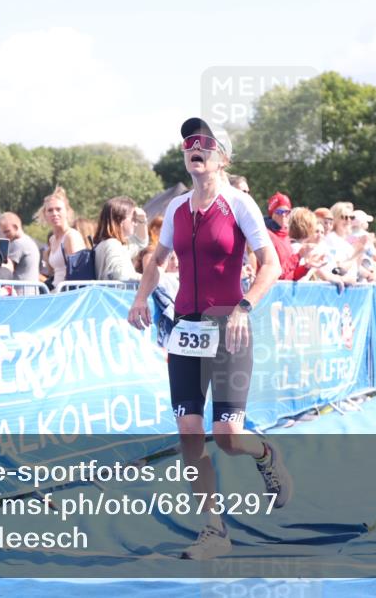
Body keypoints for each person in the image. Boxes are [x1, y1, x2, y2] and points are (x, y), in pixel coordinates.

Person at [127, 117, 290, 561]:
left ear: (223, 157)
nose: (193, 147)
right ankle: (213, 529)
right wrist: (142, 297)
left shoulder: (239, 205)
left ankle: (265, 454)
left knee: (229, 437)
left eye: (204, 142)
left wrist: (244, 306)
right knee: (190, 431)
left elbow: (271, 264)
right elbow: (157, 260)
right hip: (185, 330)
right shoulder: (178, 209)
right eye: (188, 142)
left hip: (229, 326)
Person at [264, 192, 324, 281]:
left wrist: (307, 267)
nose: (284, 215)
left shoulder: (285, 237)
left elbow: (290, 276)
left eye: (287, 212)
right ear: (272, 213)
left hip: (282, 290)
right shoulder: (267, 235)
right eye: (279, 212)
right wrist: (299, 255)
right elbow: (278, 273)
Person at [39, 187, 87, 291]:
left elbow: (77, 273)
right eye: (50, 210)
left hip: (69, 294)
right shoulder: (52, 239)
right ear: (45, 214)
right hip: (55, 292)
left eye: (58, 209)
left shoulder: (71, 236)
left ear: (67, 212)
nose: (54, 213)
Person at [94, 197, 146, 282]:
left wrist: (142, 218)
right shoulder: (112, 245)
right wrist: (147, 279)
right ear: (120, 220)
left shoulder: (108, 244)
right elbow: (120, 275)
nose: (135, 223)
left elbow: (140, 242)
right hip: (116, 294)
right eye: (133, 219)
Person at [0, 212, 41, 294]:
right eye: (3, 232)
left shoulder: (17, 244)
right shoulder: (29, 241)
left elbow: (8, 269)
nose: (5, 235)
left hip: (20, 293)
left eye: (7, 231)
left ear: (15, 227)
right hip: (32, 291)